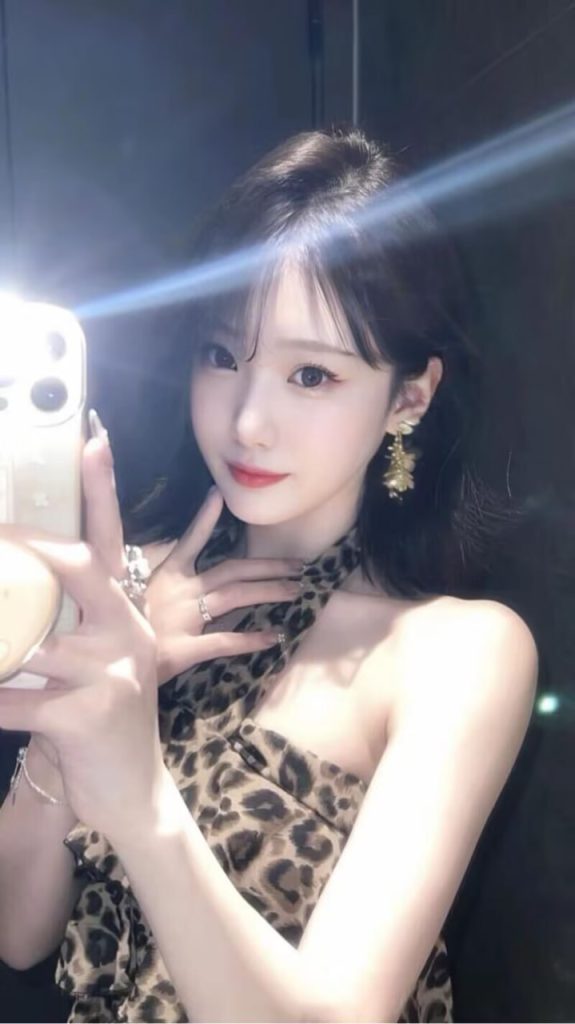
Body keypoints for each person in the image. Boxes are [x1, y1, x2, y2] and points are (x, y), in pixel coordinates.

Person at [0, 126, 538, 1023]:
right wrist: (87, 709)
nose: (248, 421)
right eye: (221, 356)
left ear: (409, 396)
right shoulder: (132, 592)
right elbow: (19, 932)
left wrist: (140, 797)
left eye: (311, 375)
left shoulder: (456, 653)